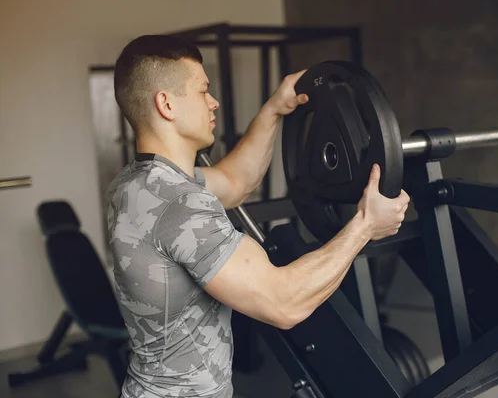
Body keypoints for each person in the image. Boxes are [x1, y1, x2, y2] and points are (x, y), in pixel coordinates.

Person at [106, 34, 410, 398]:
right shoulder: (179, 204)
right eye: (203, 91)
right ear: (167, 104)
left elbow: (235, 182)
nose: (213, 102)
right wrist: (364, 227)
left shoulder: (137, 184)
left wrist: (274, 110)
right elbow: (283, 302)